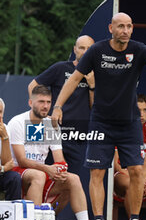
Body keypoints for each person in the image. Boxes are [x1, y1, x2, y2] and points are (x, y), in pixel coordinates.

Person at [51, 12, 146, 220]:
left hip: (129, 123)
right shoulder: (97, 51)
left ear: (132, 29)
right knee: (97, 171)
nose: (125, 31)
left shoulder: (139, 49)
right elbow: (75, 78)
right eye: (120, 26)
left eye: (128, 26)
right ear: (111, 28)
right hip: (101, 122)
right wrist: (57, 106)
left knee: (136, 170)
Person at [8, 85, 91, 220]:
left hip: (40, 172)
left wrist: (61, 169)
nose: (45, 106)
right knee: (39, 175)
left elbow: (60, 159)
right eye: (41, 102)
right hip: (17, 172)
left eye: (48, 102)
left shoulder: (51, 125)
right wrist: (48, 168)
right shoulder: (18, 122)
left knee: (73, 179)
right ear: (30, 103)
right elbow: (21, 160)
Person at [28, 35, 95, 174]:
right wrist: (41, 113)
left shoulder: (97, 74)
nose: (85, 51)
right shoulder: (61, 68)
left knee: (71, 179)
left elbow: (95, 107)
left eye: (89, 48)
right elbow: (33, 85)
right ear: (75, 49)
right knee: (45, 174)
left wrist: (92, 85)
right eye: (81, 47)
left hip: (78, 136)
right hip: (53, 130)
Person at [114, 94, 146, 214]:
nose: (142, 114)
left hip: (139, 174)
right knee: (132, 184)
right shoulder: (120, 128)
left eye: (145, 110)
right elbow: (115, 164)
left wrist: (144, 181)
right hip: (120, 174)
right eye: (138, 110)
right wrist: (139, 181)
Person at [0, 98, 21, 200]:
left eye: (0, 112)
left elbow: (8, 163)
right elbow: (5, 167)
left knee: (14, 177)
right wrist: (3, 168)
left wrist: (5, 138)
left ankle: (11, 213)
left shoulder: (5, 128)